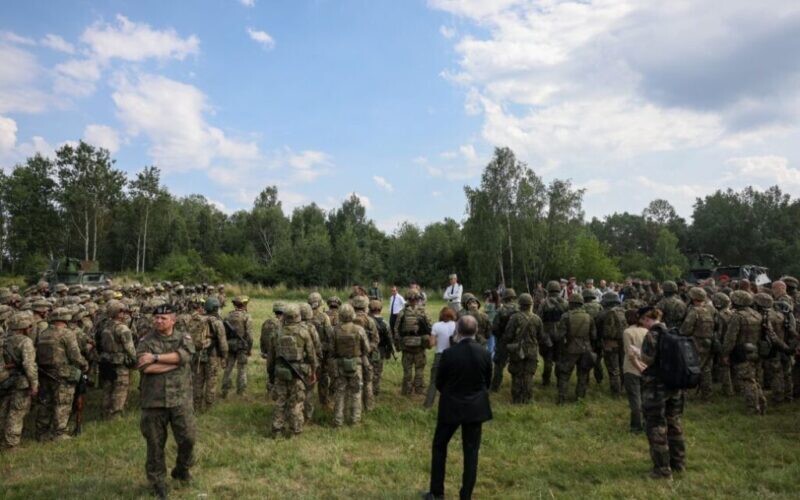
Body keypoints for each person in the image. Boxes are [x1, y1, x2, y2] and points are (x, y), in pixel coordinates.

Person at [424, 315, 492, 500]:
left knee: (439, 447)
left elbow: (439, 382)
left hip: (451, 407)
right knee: (471, 452)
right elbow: (487, 382)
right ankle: (466, 495)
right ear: (476, 331)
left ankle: (437, 492)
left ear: (457, 331)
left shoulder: (448, 354)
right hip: (475, 408)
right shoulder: (484, 353)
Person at [136, 303, 196, 499]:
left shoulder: (183, 337)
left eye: (163, 318)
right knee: (155, 444)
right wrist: (175, 363)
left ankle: (182, 469)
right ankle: (157, 482)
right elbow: (145, 368)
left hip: (180, 399)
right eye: (156, 318)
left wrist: (155, 358)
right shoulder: (146, 340)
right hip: (154, 401)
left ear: (173, 320)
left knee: (188, 439)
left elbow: (185, 356)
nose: (158, 321)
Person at [637, 306, 686, 480]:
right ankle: (678, 463)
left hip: (656, 388)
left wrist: (637, 353)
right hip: (675, 385)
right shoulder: (673, 333)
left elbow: (647, 359)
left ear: (646, 319)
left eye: (642, 321)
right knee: (674, 423)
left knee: (656, 426)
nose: (642, 324)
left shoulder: (652, 335)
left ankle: (662, 470)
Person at [1, 312, 38, 450]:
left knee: (4, 409)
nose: (30, 328)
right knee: (16, 412)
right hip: (21, 382)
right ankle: (11, 445)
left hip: (5, 380)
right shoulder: (25, 341)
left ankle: (2, 440)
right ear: (23, 327)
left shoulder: (4, 339)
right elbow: (29, 365)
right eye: (29, 326)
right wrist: (34, 385)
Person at [331, 304, 369, 427]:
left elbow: (332, 350)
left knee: (339, 393)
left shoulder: (335, 330)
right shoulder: (359, 330)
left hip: (340, 365)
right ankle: (355, 420)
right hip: (355, 365)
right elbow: (367, 348)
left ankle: (338, 421)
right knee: (356, 392)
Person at [98, 300, 137, 418]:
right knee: (120, 388)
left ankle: (105, 412)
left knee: (108, 388)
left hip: (106, 361)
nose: (125, 313)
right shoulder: (123, 329)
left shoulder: (105, 326)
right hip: (120, 363)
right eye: (123, 311)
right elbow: (130, 348)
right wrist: (135, 361)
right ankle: (116, 414)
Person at [394, 291, 432, 395]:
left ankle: (406, 390)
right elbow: (429, 328)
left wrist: (398, 345)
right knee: (419, 369)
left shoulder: (402, 312)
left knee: (407, 370)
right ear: (418, 299)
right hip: (420, 346)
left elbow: (396, 330)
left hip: (407, 347)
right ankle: (419, 390)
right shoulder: (423, 312)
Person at [424, 307, 457, 408]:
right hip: (453, 356)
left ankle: (428, 405)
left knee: (434, 381)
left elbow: (431, 344)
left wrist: (429, 339)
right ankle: (449, 405)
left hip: (439, 355)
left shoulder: (436, 326)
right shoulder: (457, 325)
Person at [222, 296, 253, 397]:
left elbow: (224, 333)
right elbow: (249, 335)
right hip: (241, 346)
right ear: (244, 305)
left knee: (228, 368)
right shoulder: (246, 316)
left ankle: (225, 390)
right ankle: (241, 391)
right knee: (242, 369)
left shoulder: (228, 316)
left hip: (230, 345)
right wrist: (249, 348)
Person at [622, 309, 648, 433]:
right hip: (646, 367)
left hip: (632, 368)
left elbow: (630, 354)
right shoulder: (647, 331)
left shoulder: (627, 332)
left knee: (635, 399)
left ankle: (636, 426)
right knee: (644, 397)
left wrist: (637, 367)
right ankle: (647, 423)